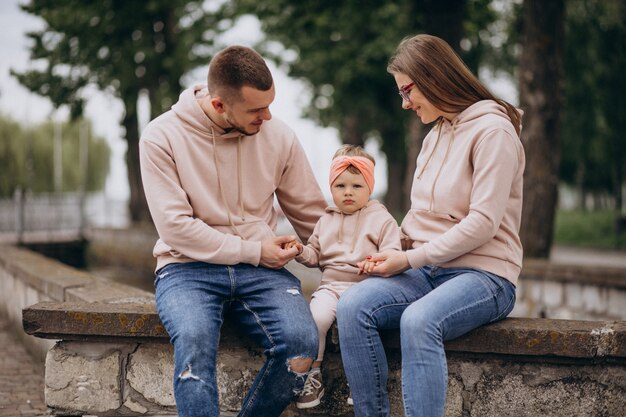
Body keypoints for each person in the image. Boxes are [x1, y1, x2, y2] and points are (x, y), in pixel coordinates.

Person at [336, 34, 525, 417]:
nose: (405, 103)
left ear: (434, 77)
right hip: (428, 269)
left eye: (407, 91)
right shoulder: (435, 133)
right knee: (352, 306)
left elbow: (483, 224)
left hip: (485, 274)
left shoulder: (494, 132)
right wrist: (394, 247)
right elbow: (421, 218)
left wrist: (409, 261)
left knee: (420, 320)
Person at [139, 45, 327, 417]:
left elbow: (313, 217)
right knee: (194, 341)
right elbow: (176, 229)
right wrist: (254, 250)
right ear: (220, 105)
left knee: (302, 344)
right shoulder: (160, 137)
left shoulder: (279, 136)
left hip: (260, 271)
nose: (268, 116)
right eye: (257, 110)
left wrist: (358, 258)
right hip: (186, 267)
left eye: (270, 105)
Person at [284, 145, 402, 409]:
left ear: (369, 187)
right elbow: (315, 255)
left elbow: (393, 252)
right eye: (340, 186)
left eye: (357, 186)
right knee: (316, 319)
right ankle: (312, 375)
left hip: (366, 287)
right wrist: (300, 251)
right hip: (330, 286)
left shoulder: (382, 220)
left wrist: (377, 264)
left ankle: (360, 378)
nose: (348, 192)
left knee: (357, 325)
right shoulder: (325, 220)